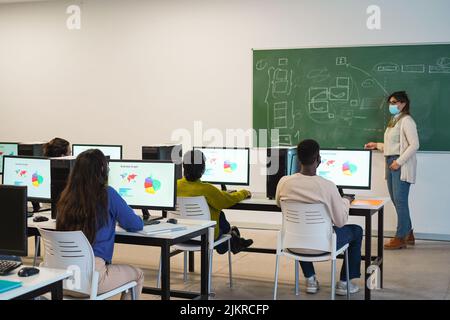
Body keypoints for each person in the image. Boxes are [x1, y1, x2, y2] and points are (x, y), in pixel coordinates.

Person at [276, 139, 362, 296]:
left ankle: (310, 279)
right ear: (318, 159)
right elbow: (340, 221)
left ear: (298, 159)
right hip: (324, 245)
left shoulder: (284, 182)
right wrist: (345, 201)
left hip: (292, 244)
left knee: (301, 229)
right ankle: (344, 283)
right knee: (357, 230)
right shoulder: (328, 186)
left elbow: (278, 203)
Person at [56, 149, 144, 300]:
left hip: (59, 280)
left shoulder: (65, 198)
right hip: (92, 281)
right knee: (138, 275)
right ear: (102, 170)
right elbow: (135, 224)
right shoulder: (107, 194)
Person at [365, 91, 419, 250]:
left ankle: (400, 237)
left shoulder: (407, 121)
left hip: (399, 164)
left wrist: (399, 162)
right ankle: (408, 233)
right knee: (397, 201)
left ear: (403, 103)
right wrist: (377, 145)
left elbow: (414, 145)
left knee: (400, 201)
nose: (391, 105)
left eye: (394, 102)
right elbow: (392, 146)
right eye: (390, 102)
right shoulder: (394, 120)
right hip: (391, 162)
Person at [177, 150, 253, 254]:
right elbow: (228, 200)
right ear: (203, 169)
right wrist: (244, 193)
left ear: (184, 167)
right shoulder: (207, 189)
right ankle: (231, 240)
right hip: (205, 237)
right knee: (220, 217)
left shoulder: (175, 186)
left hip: (180, 236)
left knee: (219, 215)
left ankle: (234, 240)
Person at [31, 137, 72, 213]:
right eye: (70, 153)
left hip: (43, 212)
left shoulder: (39, 171)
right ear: (63, 156)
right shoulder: (67, 177)